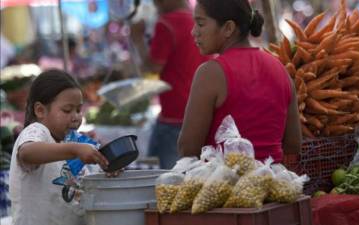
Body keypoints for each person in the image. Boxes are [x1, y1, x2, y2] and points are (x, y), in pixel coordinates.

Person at [178, 0, 302, 162]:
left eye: (201, 24)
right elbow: (293, 144)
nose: (194, 32)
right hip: (274, 183)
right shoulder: (280, 69)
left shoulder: (210, 73)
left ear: (228, 28)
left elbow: (187, 148)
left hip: (223, 184)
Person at [9, 69, 109, 225]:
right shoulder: (37, 131)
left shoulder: (69, 141)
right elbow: (27, 153)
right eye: (67, 110)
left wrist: (108, 165)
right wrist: (74, 149)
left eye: (78, 110)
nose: (76, 117)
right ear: (40, 110)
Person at [131, 0, 211, 169]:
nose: (155, 3)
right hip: (201, 112)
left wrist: (137, 39)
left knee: (166, 180)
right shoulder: (199, 20)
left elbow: (152, 68)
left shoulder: (167, 23)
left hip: (174, 115)